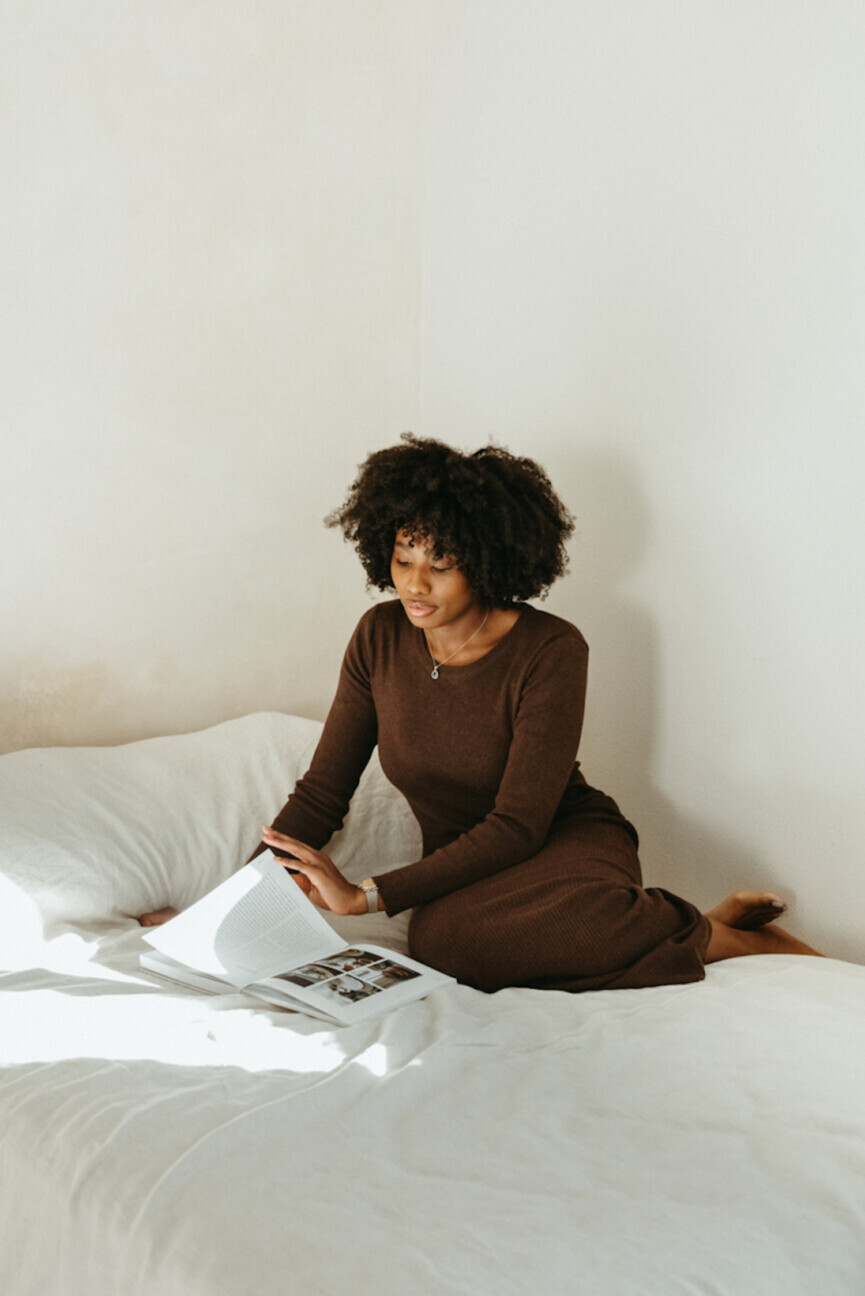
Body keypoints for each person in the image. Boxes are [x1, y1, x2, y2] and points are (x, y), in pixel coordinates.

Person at [141, 435, 821, 990]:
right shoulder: (378, 637)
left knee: (457, 940)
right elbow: (322, 795)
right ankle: (690, 924)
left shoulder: (550, 649)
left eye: (440, 563)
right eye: (403, 558)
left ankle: (717, 934)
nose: (414, 582)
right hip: (467, 870)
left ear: (488, 562)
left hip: (560, 846)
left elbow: (519, 825)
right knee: (444, 942)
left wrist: (367, 896)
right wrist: (214, 916)